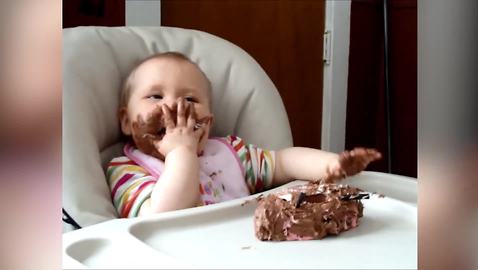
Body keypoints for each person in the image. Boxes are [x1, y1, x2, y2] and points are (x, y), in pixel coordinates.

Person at [107, 52, 381, 218]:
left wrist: (333, 166)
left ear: (209, 123)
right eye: (155, 96)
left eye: (190, 99)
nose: (175, 107)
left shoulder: (231, 154)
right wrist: (181, 152)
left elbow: (284, 162)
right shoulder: (128, 170)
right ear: (126, 122)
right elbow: (164, 216)